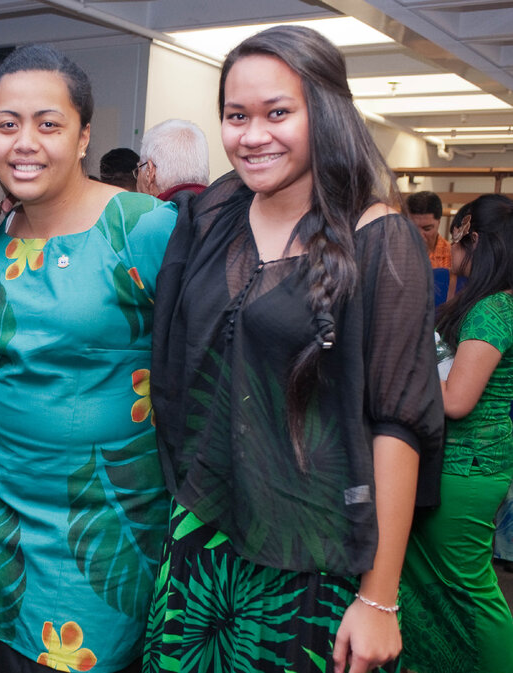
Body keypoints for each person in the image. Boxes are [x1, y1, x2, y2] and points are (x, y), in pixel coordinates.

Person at [146, 25, 442, 673]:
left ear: (325, 112)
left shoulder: (378, 237)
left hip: (312, 552)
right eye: (235, 115)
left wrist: (380, 596)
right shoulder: (211, 216)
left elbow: (397, 422)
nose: (252, 135)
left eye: (277, 112)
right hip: (203, 530)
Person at [0, 45, 178, 673]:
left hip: (102, 536)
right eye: (7, 125)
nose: (25, 142)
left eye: (48, 124)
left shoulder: (144, 226)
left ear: (83, 136)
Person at [400, 194, 513, 673]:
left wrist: (395, 373)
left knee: (468, 589)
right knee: (440, 585)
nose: (449, 247)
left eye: (458, 239)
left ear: (477, 242)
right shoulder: (491, 301)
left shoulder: (492, 310)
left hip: (466, 468)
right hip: (470, 466)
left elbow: (457, 398)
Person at [135, 118, 209, 200]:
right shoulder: (220, 208)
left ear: (150, 173)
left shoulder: (141, 212)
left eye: (139, 169)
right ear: (208, 172)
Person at [407, 191, 449, 269]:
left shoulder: (452, 257)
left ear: (439, 222)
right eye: (412, 228)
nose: (419, 235)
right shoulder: (394, 253)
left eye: (427, 229)